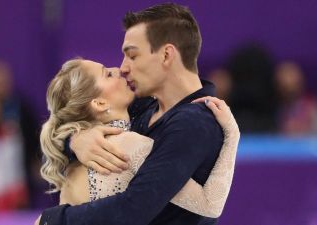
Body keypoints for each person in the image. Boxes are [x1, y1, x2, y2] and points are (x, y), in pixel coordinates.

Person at [39, 3, 238, 225]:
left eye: (132, 56)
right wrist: (76, 139)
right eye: (108, 73)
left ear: (166, 55)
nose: (122, 68)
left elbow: (134, 208)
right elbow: (210, 202)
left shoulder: (192, 122)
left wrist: (53, 220)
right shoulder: (141, 108)